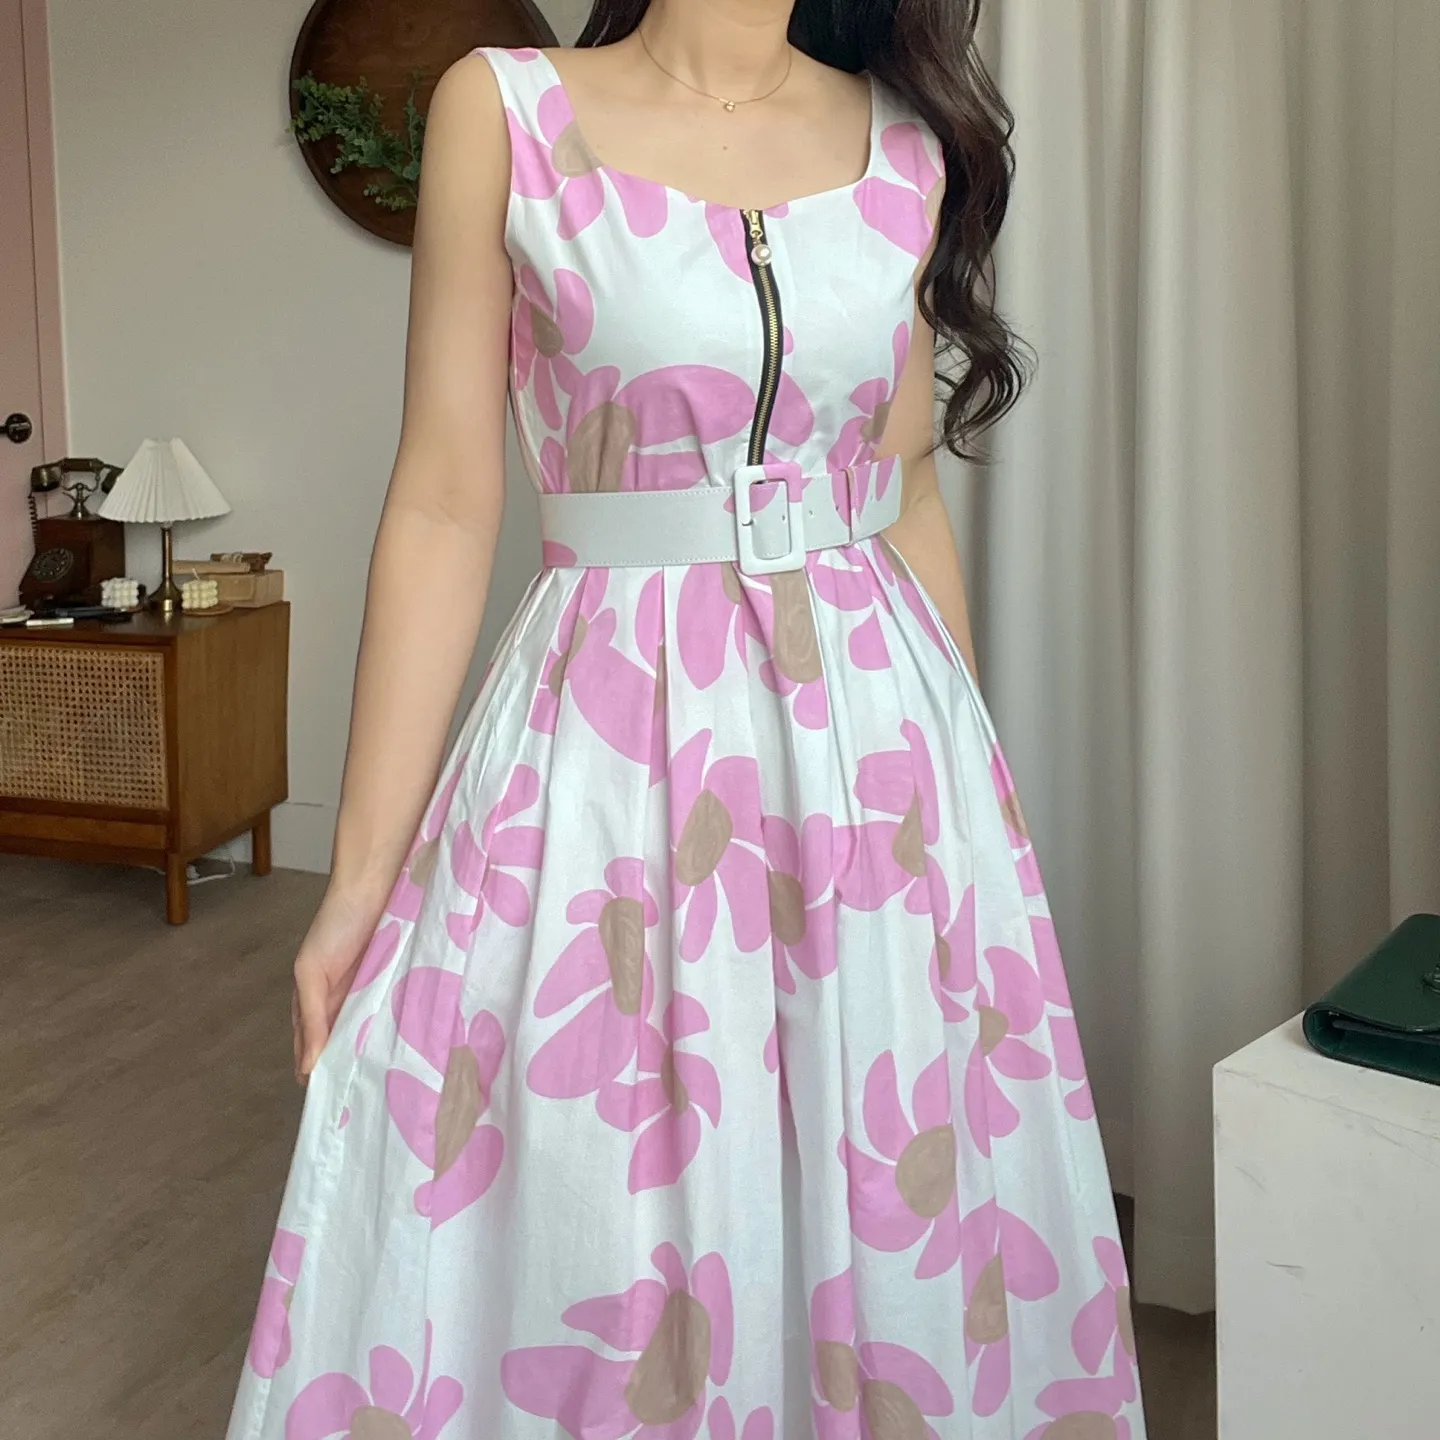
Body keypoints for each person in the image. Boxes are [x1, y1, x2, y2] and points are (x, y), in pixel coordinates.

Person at [228, 1, 1146, 1435]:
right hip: (611, 746)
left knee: (883, 1170)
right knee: (605, 1188)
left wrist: (971, 806)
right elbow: (447, 500)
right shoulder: (505, 109)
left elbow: (905, 486)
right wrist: (357, 879)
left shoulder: (904, 148)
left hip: (873, 758)